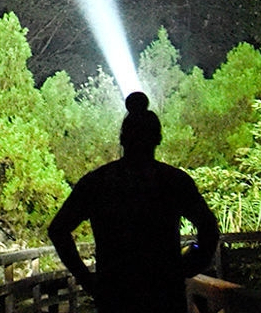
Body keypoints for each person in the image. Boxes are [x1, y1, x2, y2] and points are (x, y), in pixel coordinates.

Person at [48, 91, 219, 313]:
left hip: (115, 296)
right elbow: (209, 228)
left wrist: (87, 280)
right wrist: (188, 265)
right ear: (158, 138)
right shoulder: (174, 181)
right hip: (164, 296)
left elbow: (58, 230)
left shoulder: (98, 181)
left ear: (122, 138)